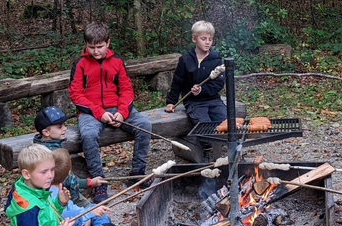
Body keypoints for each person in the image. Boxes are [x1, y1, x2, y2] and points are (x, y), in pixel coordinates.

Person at [68, 22, 153, 203]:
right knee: (89, 135)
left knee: (145, 125)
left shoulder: (117, 62)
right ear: (85, 45)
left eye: (99, 47)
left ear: (108, 43)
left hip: (117, 107)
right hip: (90, 112)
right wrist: (100, 113)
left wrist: (122, 112)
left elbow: (127, 90)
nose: (96, 51)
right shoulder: (80, 64)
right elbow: (75, 94)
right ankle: (99, 181)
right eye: (91, 47)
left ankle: (137, 171)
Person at [51, 148, 140, 226]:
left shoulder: (51, 189)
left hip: (73, 224)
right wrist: (88, 215)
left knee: (93, 207)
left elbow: (72, 209)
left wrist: (87, 214)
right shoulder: (55, 196)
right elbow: (68, 214)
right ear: (69, 173)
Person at [165, 20, 226, 158]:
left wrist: (202, 90)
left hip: (213, 99)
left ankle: (223, 148)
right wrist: (171, 102)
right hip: (194, 102)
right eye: (203, 39)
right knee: (204, 125)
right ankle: (207, 151)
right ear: (194, 39)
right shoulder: (185, 60)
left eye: (210, 39)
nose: (207, 42)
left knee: (227, 121)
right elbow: (177, 82)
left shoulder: (215, 59)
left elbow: (218, 83)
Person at [33, 105, 107, 207]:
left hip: (54, 196)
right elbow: (68, 180)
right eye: (60, 127)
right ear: (46, 132)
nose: (65, 128)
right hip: (64, 197)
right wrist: (90, 182)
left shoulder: (39, 147)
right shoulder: (53, 154)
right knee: (94, 212)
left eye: (64, 125)